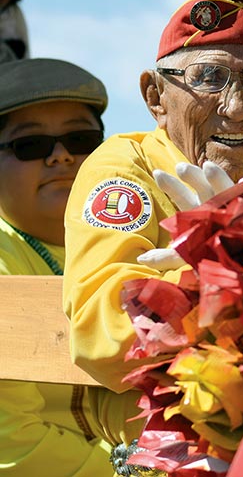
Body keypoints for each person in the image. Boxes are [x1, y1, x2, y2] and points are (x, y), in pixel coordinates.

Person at [63, 0, 243, 395]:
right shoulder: (124, 167)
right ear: (155, 97)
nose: (237, 107)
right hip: (174, 447)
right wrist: (217, 272)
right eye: (209, 77)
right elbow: (101, 331)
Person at [0, 58, 128, 475]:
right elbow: (8, 439)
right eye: (31, 145)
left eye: (80, 140)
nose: (61, 157)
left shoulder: (136, 242)